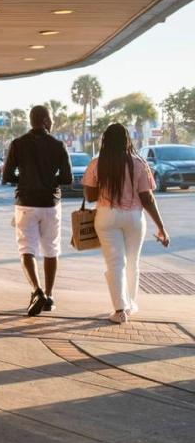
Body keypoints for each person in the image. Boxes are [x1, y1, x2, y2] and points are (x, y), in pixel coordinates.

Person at [82, 123, 170, 324]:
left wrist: (106, 183)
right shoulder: (139, 163)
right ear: (127, 140)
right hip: (134, 218)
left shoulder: (97, 164)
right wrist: (161, 227)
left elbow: (90, 196)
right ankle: (130, 303)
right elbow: (147, 198)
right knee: (132, 262)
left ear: (105, 141)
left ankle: (120, 309)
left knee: (115, 262)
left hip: (106, 216)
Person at [1, 105, 72, 316]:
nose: (52, 122)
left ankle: (36, 290)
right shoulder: (58, 145)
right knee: (51, 249)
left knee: (26, 249)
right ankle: (49, 296)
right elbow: (67, 179)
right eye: (50, 119)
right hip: (50, 204)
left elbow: (6, 176)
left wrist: (25, 180)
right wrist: (50, 181)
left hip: (25, 203)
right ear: (45, 120)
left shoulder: (18, 144)